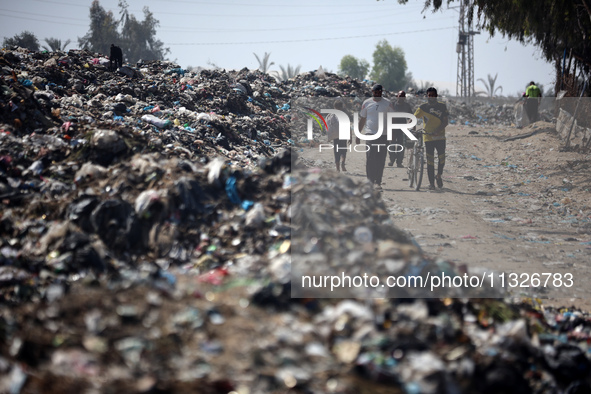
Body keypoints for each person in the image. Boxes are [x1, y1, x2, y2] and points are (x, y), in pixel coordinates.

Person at [357, 84, 392, 191]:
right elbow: (362, 119)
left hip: (384, 134)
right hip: (370, 134)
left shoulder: (388, 103)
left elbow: (392, 119)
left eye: (379, 92)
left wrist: (392, 134)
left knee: (380, 159)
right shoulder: (366, 103)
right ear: (372, 92)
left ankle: (378, 182)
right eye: (375, 92)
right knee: (370, 158)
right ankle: (370, 181)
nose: (377, 94)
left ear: (382, 92)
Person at [413, 87, 449, 191]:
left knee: (442, 159)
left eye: (433, 95)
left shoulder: (442, 107)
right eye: (429, 95)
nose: (431, 97)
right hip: (428, 137)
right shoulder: (423, 107)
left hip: (440, 137)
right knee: (430, 161)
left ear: (436, 96)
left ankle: (438, 175)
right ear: (427, 96)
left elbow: (445, 122)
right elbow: (414, 118)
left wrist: (438, 131)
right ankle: (431, 184)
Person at [388, 90, 413, 168]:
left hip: (402, 128)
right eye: (400, 96)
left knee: (401, 145)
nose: (401, 98)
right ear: (397, 97)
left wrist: (410, 123)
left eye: (402, 96)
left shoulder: (407, 106)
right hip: (392, 128)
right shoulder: (392, 105)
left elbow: (411, 116)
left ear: (404, 98)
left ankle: (399, 162)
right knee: (391, 145)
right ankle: (392, 160)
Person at [326, 99, 350, 172]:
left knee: (336, 152)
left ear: (334, 106)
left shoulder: (330, 115)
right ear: (342, 107)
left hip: (335, 137)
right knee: (343, 151)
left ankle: (337, 168)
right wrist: (350, 137)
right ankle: (342, 163)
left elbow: (328, 126)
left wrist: (329, 136)